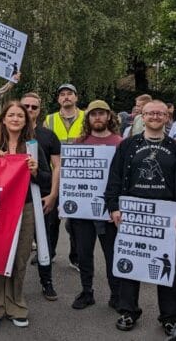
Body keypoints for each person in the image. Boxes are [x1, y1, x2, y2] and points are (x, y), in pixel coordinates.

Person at [104, 100, 176, 335]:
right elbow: (114, 178)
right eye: (150, 113)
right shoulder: (127, 146)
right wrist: (113, 207)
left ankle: (170, 316)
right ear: (141, 117)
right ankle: (128, 311)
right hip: (132, 216)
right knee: (130, 264)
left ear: (167, 117)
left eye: (160, 113)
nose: (155, 116)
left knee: (168, 268)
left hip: (166, 218)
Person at [0, 100, 50, 328]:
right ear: (3, 119)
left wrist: (36, 170)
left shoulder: (33, 147)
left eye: (20, 115)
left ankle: (16, 304)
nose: (16, 119)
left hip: (24, 206)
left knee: (20, 256)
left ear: (26, 121)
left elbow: (47, 180)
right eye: (12, 115)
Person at [68, 100, 122, 310]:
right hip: (83, 211)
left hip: (109, 210)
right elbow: (71, 176)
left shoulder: (120, 142)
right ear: (88, 118)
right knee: (83, 253)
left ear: (109, 116)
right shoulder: (79, 142)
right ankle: (86, 291)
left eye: (101, 113)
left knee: (111, 254)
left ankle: (116, 294)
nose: (97, 117)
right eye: (93, 114)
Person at [20, 92, 61, 301]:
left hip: (41, 195)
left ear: (39, 110)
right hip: (15, 198)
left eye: (33, 107)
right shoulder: (10, 134)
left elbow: (56, 167)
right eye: (25, 106)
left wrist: (53, 194)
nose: (29, 110)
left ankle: (47, 281)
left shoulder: (47, 136)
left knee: (45, 240)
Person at [43, 83, 85, 271]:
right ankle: (48, 253)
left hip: (81, 178)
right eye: (62, 94)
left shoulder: (86, 117)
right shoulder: (49, 120)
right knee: (51, 219)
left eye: (70, 94)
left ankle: (75, 257)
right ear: (58, 99)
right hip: (56, 176)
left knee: (77, 220)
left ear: (76, 97)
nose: (66, 97)